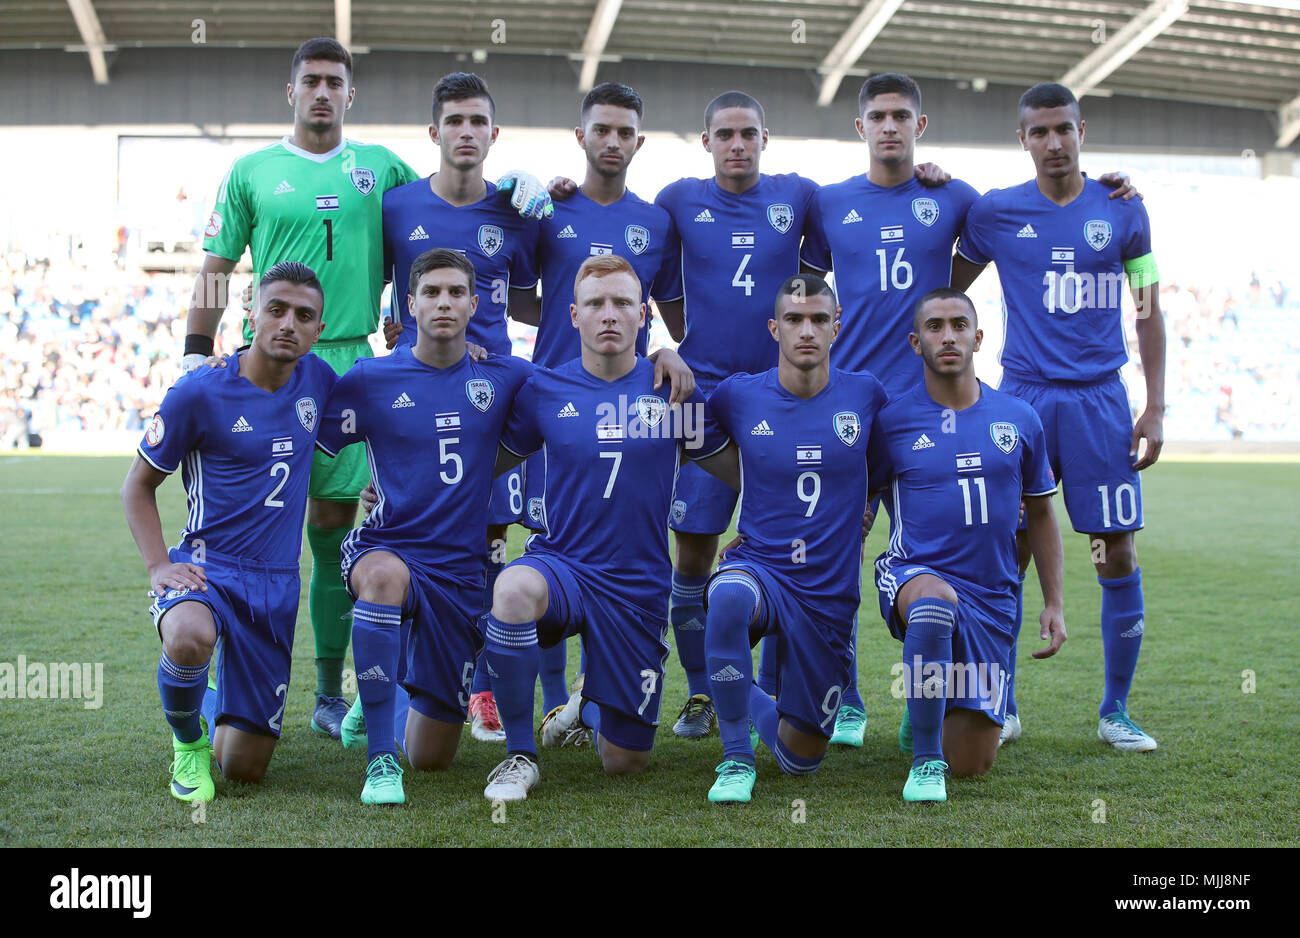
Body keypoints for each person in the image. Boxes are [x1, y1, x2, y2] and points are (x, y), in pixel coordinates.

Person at [801, 72, 1137, 747]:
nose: (890, 125)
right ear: (859, 126)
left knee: (963, 560)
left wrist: (1110, 189)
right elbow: (802, 293)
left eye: (902, 115)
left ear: (920, 126)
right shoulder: (828, 203)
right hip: (853, 409)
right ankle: (848, 699)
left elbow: (974, 274)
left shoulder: (955, 198)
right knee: (830, 551)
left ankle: (941, 707)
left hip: (927, 407)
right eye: (878, 115)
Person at [181, 38, 420, 739]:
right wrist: (196, 355)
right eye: (311, 81)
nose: (323, 92)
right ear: (291, 93)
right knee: (255, 528)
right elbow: (217, 267)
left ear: (352, 95)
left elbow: (443, 206)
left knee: (332, 528)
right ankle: (225, 665)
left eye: (334, 82)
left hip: (350, 363)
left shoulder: (381, 167)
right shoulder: (252, 170)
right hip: (273, 367)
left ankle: (325, 691)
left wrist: (520, 183)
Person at [952, 82, 1164, 752]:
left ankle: (1115, 711)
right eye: (1038, 132)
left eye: (1062, 129)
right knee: (1007, 553)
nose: (1052, 142)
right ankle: (1003, 704)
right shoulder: (996, 213)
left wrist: (1154, 404)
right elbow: (945, 283)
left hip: (1101, 403)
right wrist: (931, 180)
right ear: (1022, 140)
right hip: (1025, 402)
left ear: (1081, 130)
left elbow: (1149, 308)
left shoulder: (1124, 209)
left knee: (1114, 550)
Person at [480, 254, 734, 802]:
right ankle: (519, 756)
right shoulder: (545, 391)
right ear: (573, 315)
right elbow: (485, 463)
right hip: (563, 565)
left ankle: (586, 704)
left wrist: (765, 527)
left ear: (644, 314)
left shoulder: (673, 393)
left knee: (625, 763)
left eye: (622, 303)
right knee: (512, 588)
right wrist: (400, 488)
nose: (609, 315)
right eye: (595, 304)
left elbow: (734, 468)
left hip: (636, 588)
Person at [316, 249, 535, 804]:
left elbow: (583, 384)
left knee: (432, 758)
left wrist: (662, 355)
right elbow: (310, 440)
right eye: (431, 292)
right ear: (410, 305)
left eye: (456, 292)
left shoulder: (505, 376)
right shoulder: (370, 378)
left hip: (460, 574)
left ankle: (376, 692)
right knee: (385, 580)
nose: (444, 302)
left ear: (474, 304)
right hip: (386, 547)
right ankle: (379, 762)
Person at [122, 262, 336, 802]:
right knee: (191, 636)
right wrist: (157, 566)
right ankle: (188, 742)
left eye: (303, 315)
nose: (288, 323)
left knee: (244, 768)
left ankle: (214, 699)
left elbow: (391, 409)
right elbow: (137, 486)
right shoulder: (199, 391)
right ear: (251, 315)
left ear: (319, 329)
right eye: (277, 309)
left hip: (276, 585)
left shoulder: (322, 382)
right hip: (207, 568)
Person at [376, 71, 543, 745]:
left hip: (490, 398)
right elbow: (381, 290)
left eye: (479, 122)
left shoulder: (513, 209)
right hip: (416, 399)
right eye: (455, 121)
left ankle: (481, 689)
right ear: (435, 133)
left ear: (494, 134)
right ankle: (397, 686)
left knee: (489, 547)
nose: (467, 132)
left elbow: (535, 296)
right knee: (414, 543)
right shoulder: (395, 208)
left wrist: (548, 195)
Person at [521, 81, 686, 725]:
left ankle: (602, 689)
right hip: (556, 403)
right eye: (602, 130)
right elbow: (513, 294)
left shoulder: (656, 222)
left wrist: (665, 351)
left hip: (625, 404)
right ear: (581, 136)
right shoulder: (547, 211)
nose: (612, 141)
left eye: (625, 132)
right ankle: (553, 702)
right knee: (547, 537)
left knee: (617, 537)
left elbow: (667, 311)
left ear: (638, 142)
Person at [869, 288, 1066, 801]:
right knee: (934, 607)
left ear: (978, 338)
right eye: (934, 326)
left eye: (959, 324)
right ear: (916, 342)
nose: (948, 335)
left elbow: (1042, 514)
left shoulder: (1019, 418)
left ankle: (926, 715)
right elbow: (856, 506)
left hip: (992, 596)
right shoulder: (890, 423)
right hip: (916, 575)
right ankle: (925, 761)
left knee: (974, 764)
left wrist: (1054, 603)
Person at [702, 274, 888, 803]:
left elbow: (893, 466)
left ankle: (744, 691)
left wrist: (866, 507)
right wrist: (665, 357)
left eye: (818, 320)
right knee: (728, 595)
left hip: (828, 593)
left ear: (837, 327)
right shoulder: (738, 395)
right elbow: (690, 429)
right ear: (774, 328)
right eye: (793, 319)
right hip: (762, 567)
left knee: (799, 760)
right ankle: (735, 757)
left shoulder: (866, 394)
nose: (806, 330)